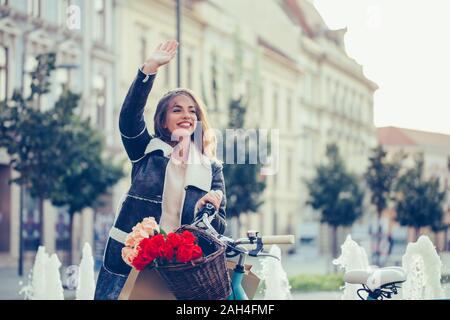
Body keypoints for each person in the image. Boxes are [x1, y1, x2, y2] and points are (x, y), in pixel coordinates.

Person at [94, 40, 227, 300]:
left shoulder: (211, 169)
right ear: (164, 122)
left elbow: (219, 227)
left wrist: (208, 209)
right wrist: (149, 69)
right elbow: (129, 117)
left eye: (192, 111)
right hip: (131, 257)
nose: (186, 115)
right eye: (177, 110)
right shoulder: (146, 152)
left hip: (179, 268)